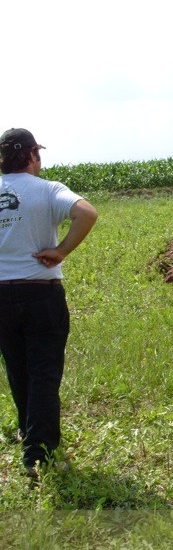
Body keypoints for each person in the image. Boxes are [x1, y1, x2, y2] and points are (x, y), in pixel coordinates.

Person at [0, 128, 98, 478]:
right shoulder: (48, 190)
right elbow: (86, 213)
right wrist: (61, 251)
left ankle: (29, 433)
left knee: (17, 367)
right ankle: (38, 456)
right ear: (31, 155)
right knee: (43, 373)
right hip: (41, 292)